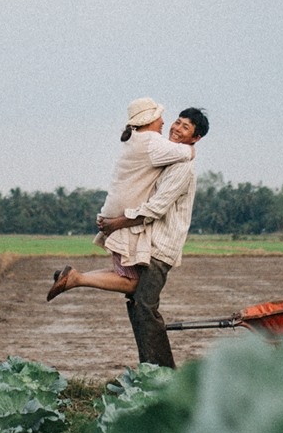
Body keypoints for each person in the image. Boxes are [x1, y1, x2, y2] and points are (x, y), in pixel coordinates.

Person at [47, 104, 209, 368]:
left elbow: (156, 208)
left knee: (144, 306)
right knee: (137, 302)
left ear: (196, 138)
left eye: (186, 127)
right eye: (177, 122)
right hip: (149, 243)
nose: (177, 128)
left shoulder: (183, 168)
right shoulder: (171, 158)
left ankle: (162, 373)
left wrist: (116, 223)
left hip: (161, 248)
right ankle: (151, 370)